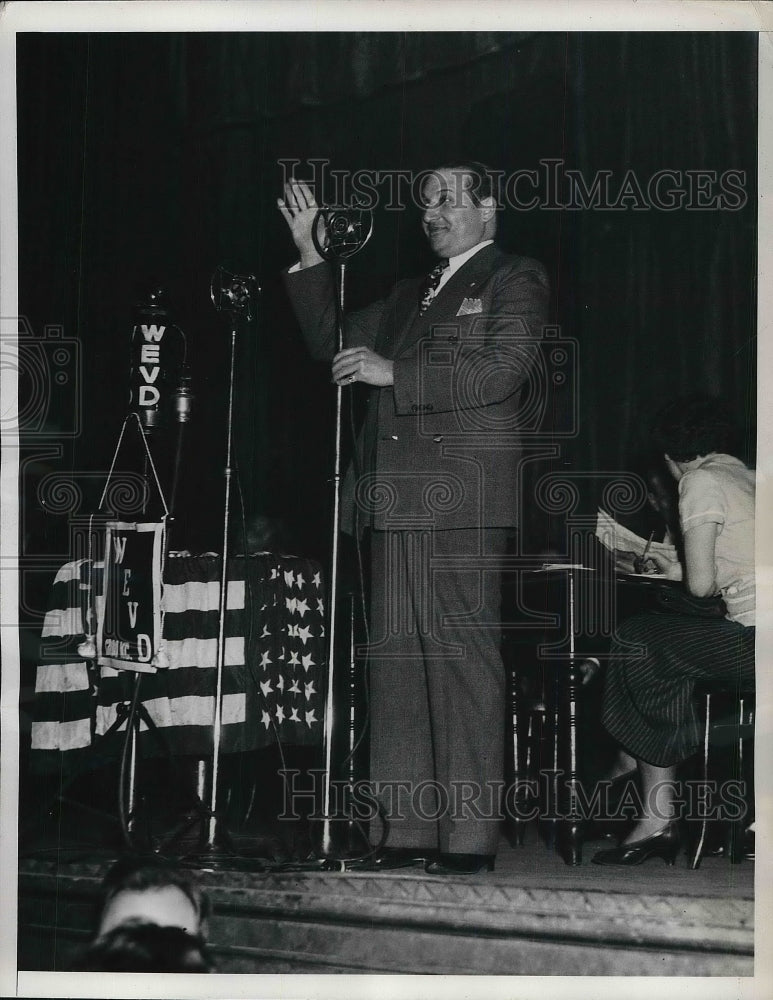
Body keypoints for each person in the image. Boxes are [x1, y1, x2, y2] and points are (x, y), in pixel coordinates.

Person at [278, 162, 549, 874]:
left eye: (447, 199)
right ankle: (404, 831)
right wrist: (312, 254)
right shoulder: (407, 295)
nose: (431, 212)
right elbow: (328, 343)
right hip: (390, 498)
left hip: (461, 496)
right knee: (396, 663)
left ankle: (466, 842)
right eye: (424, 201)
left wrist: (393, 373)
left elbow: (501, 370)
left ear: (488, 207)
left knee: (460, 660)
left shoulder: (512, 275)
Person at [592, 395, 755, 866]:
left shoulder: (701, 480)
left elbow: (701, 587)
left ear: (671, 459)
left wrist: (681, 571)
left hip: (756, 642)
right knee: (661, 648)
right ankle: (637, 762)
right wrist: (678, 566)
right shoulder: (754, 476)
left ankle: (651, 801)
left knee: (637, 638)